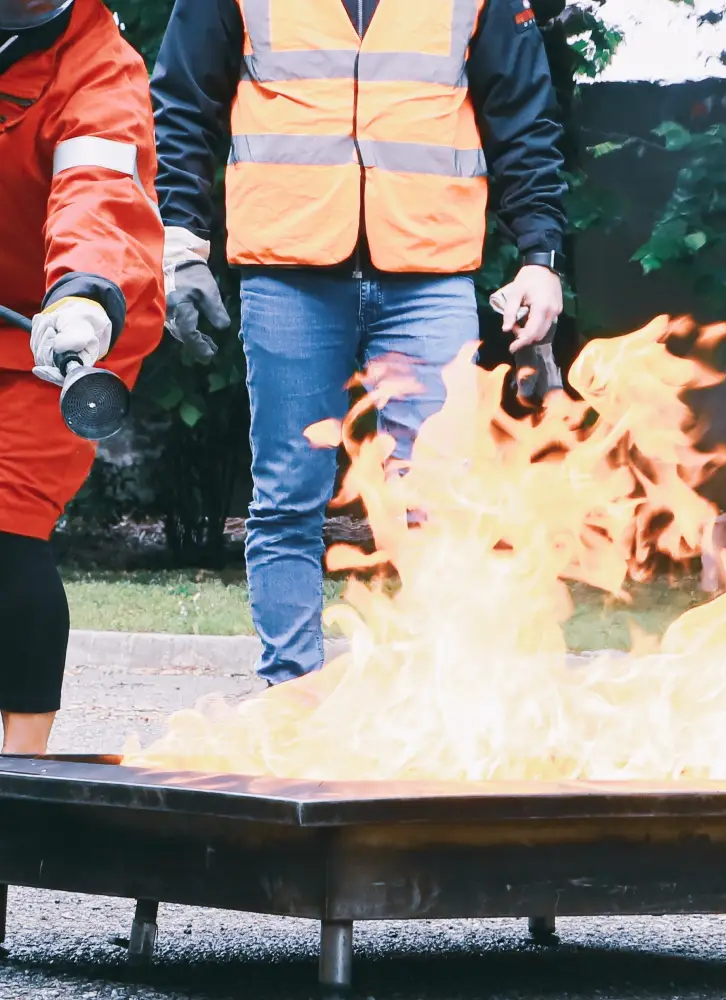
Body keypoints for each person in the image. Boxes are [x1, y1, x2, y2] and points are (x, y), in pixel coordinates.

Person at [152, 0, 568, 687]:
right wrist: (183, 246)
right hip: (288, 271)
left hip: (429, 271)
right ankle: (292, 701)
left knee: (439, 503)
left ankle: (438, 704)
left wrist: (539, 257)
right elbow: (185, 102)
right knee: (287, 499)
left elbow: (523, 112)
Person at [0, 0, 164, 753]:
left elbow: (99, 200)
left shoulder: (100, 68)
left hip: (63, 329)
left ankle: (19, 788)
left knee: (5, 527)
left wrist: (82, 293)